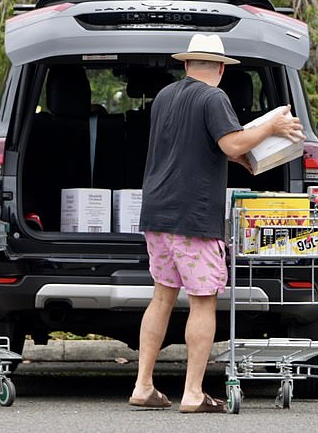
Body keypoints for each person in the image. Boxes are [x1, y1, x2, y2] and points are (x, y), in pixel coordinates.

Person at [130, 34, 305, 413]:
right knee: (203, 301)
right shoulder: (214, 98)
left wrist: (242, 155)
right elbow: (230, 144)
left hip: (157, 213)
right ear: (222, 68)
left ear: (187, 64)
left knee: (161, 296)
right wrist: (272, 127)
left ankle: (143, 386)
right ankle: (193, 393)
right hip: (193, 217)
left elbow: (199, 146)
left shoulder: (165, 96)